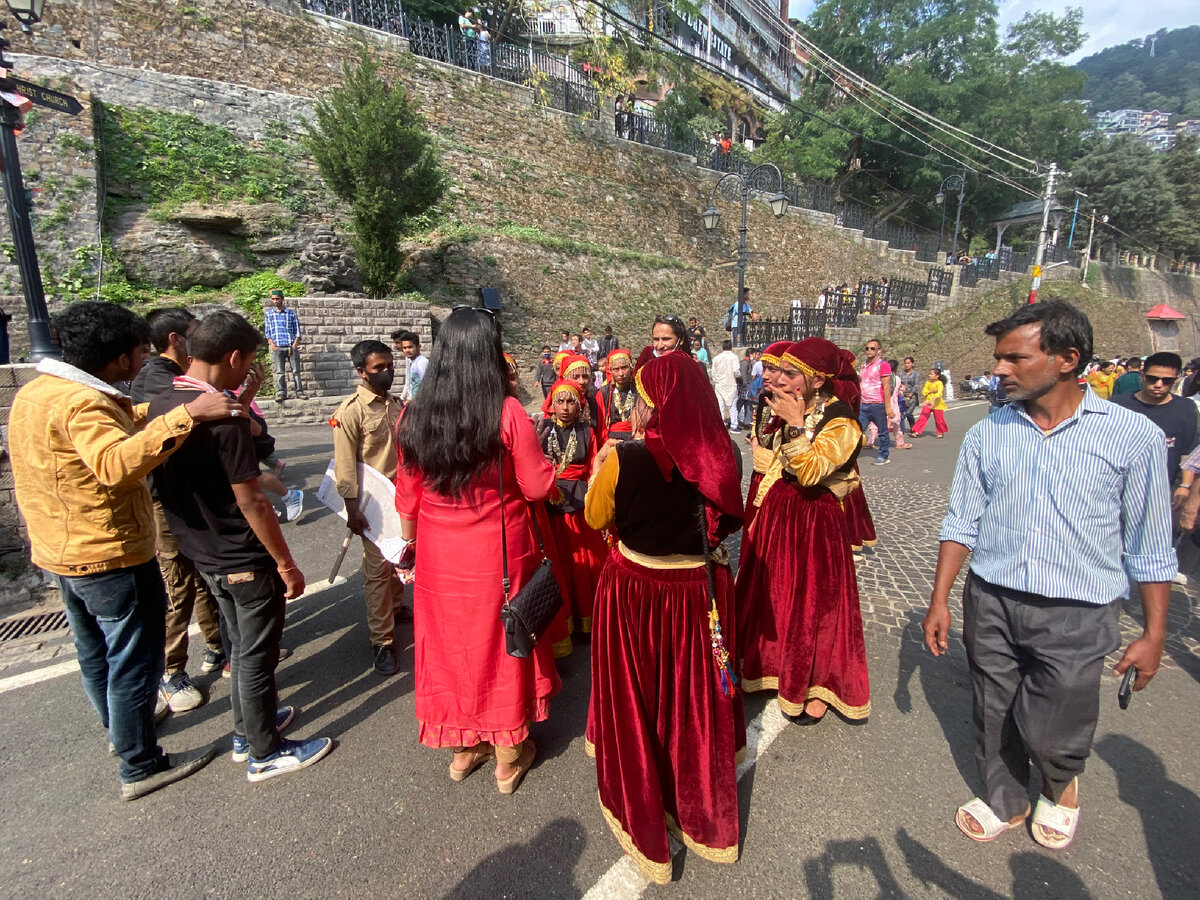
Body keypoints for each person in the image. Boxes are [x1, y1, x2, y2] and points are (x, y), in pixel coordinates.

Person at [924, 301, 1175, 849]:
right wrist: (941, 597)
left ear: (1067, 359)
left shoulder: (1131, 437)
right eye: (998, 358)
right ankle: (1005, 798)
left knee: (1054, 719)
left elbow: (1150, 544)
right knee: (993, 707)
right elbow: (962, 518)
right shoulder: (989, 434)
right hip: (990, 597)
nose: (999, 369)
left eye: (1015, 357)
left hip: (1078, 612)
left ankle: (1060, 784)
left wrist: (1154, 634)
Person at [8, 302, 232, 800]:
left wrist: (166, 412)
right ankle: (140, 763)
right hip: (108, 553)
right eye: (137, 351)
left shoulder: (40, 393)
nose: (142, 359)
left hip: (60, 551)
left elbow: (115, 422)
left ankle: (121, 732)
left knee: (95, 652)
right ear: (116, 359)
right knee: (135, 659)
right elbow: (114, 463)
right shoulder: (83, 404)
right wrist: (186, 417)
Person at [150, 310, 333, 782]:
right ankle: (265, 752)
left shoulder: (166, 404)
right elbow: (251, 500)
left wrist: (243, 395)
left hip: (201, 549)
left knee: (238, 646)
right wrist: (286, 564)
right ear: (234, 356)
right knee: (256, 655)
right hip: (241, 553)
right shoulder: (226, 418)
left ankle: (246, 731)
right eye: (247, 361)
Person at [584, 351, 745, 884]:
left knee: (640, 694)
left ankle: (646, 793)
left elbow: (595, 517)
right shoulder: (723, 457)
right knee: (690, 697)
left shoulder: (624, 458)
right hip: (698, 591)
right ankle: (695, 798)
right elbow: (724, 525)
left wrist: (604, 464)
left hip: (638, 589)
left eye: (646, 396)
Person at [395, 307, 560, 793]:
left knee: (449, 647)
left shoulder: (413, 414)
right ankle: (509, 755)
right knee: (502, 644)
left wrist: (409, 546)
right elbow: (535, 486)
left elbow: (407, 495)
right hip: (498, 552)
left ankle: (464, 747)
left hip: (438, 556)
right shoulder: (506, 413)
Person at [736, 338, 870, 726]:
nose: (783, 380)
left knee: (815, 603)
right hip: (782, 513)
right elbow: (780, 460)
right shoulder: (797, 406)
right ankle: (769, 667)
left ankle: (814, 684)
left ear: (817, 380)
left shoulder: (841, 421)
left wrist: (794, 426)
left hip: (816, 522)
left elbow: (811, 472)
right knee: (774, 594)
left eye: (792, 374)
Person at [130, 308, 224, 713]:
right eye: (192, 334)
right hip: (166, 498)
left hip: (185, 495)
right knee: (179, 582)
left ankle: (218, 646)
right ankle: (171, 671)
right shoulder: (159, 380)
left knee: (200, 574)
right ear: (174, 338)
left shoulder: (170, 376)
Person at [331, 340, 405, 677]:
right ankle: (382, 641)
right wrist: (352, 510)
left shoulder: (394, 404)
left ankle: (398, 606)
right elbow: (346, 466)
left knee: (398, 558)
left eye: (390, 364)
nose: (387, 371)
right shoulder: (351, 411)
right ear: (362, 372)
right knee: (376, 572)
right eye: (379, 368)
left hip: (401, 496)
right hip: (371, 504)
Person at [540, 379, 606, 633]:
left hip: (579, 503)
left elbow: (593, 466)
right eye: (560, 401)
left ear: (579, 406)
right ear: (552, 404)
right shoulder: (543, 430)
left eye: (571, 402)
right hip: (553, 503)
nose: (565, 407)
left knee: (586, 563)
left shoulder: (586, 431)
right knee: (561, 563)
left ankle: (587, 618)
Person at [1110, 352, 1197, 490]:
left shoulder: (1186, 407)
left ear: (1176, 380)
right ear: (1142, 376)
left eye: (1166, 381)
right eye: (1152, 379)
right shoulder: (1117, 405)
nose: (1158, 384)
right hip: (1121, 488)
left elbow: (1188, 450)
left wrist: (1184, 486)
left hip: (1167, 489)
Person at [263, 289, 305, 403]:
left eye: (277, 299)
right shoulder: (269, 314)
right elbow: (268, 332)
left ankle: (299, 392)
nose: (275, 301)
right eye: (273, 299)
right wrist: (272, 345)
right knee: (280, 372)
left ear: (282, 299)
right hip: (278, 346)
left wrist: (295, 345)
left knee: (296, 371)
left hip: (291, 345)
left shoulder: (290, 313)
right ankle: (281, 393)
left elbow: (297, 330)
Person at [857, 338, 894, 464]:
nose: (869, 350)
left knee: (882, 432)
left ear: (879, 350)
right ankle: (852, 454)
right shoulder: (863, 365)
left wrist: (888, 407)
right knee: (857, 431)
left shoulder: (883, 365)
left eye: (872, 348)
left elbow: (886, 386)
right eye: (867, 348)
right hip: (864, 404)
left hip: (877, 404)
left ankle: (883, 455)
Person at [596, 347, 636, 444]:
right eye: (616, 369)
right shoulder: (604, 393)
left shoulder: (639, 390)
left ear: (630, 368)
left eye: (624, 368)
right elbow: (601, 425)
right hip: (611, 440)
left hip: (635, 439)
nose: (621, 373)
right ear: (610, 370)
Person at [391, 329, 428, 405]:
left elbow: (425, 386)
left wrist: (410, 400)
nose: (407, 350)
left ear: (418, 346)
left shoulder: (422, 362)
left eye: (410, 347)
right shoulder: (411, 360)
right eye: (404, 348)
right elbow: (410, 382)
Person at [711, 339, 741, 431]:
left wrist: (717, 381)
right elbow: (736, 371)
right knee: (732, 406)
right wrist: (739, 377)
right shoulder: (734, 357)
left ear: (722, 347)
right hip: (730, 383)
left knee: (720, 405)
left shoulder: (716, 358)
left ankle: (721, 423)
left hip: (720, 384)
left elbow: (713, 372)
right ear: (731, 347)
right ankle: (734, 425)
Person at [912, 368, 949, 438]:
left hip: (937, 404)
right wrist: (930, 391)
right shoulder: (928, 382)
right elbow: (924, 391)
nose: (929, 375)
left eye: (932, 374)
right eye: (930, 374)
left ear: (937, 376)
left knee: (939, 418)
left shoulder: (939, 383)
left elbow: (939, 394)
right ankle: (916, 431)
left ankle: (940, 432)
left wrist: (934, 399)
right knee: (923, 417)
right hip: (928, 403)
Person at [899, 356, 920, 433]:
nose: (907, 365)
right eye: (905, 363)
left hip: (912, 397)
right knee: (902, 413)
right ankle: (902, 430)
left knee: (908, 413)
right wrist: (900, 392)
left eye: (908, 363)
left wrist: (910, 395)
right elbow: (899, 383)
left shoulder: (916, 374)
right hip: (902, 396)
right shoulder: (901, 373)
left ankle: (913, 427)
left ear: (912, 364)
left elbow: (916, 385)